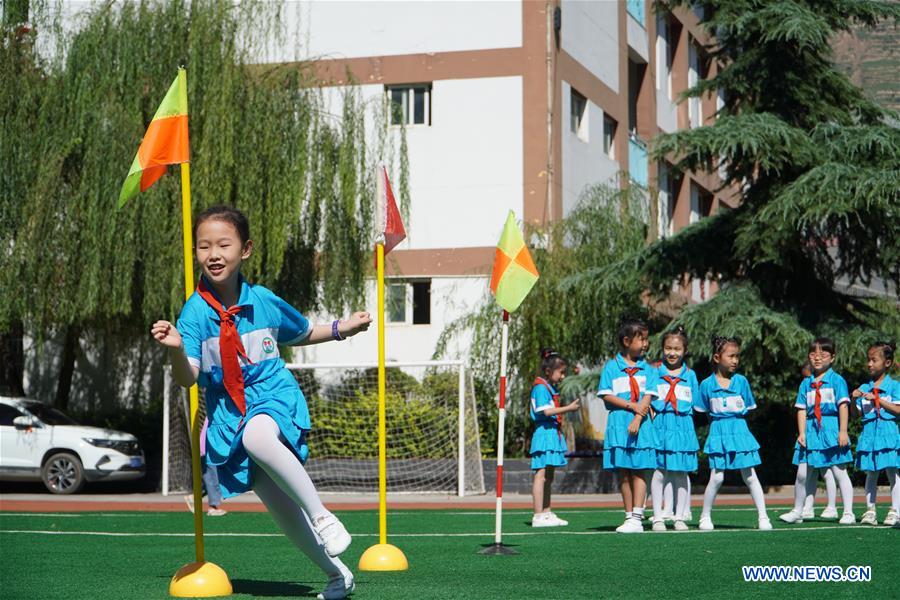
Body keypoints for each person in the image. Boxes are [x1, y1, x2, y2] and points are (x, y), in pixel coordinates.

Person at [151, 205, 370, 600]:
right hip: (227, 415)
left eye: (223, 244)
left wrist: (343, 328)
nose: (213, 254)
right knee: (283, 512)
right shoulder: (194, 313)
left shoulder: (264, 301)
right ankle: (337, 575)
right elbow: (189, 378)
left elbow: (301, 332)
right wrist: (176, 350)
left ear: (245, 249)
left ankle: (323, 515)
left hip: (272, 396)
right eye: (204, 246)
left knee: (258, 435)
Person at [695, 336, 771, 531]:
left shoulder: (742, 382)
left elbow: (748, 407)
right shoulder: (705, 385)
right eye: (731, 356)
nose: (735, 360)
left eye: (738, 356)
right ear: (717, 357)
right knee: (717, 477)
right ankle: (705, 516)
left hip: (740, 432)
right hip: (718, 432)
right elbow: (705, 412)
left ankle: (763, 517)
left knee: (750, 476)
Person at [598, 318, 660, 534]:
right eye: (641, 339)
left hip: (640, 425)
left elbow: (648, 397)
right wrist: (630, 405)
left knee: (639, 470)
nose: (645, 343)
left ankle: (637, 516)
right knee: (623, 471)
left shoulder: (650, 370)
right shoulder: (611, 368)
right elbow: (606, 395)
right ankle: (628, 516)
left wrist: (636, 417)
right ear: (626, 341)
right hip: (618, 424)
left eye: (646, 339)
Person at [649, 327, 699, 531]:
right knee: (659, 471)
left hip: (683, 427)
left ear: (685, 350)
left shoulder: (691, 375)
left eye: (677, 349)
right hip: (660, 425)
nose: (672, 353)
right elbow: (648, 399)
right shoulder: (654, 372)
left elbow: (695, 403)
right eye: (668, 348)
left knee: (680, 472)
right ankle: (658, 516)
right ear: (662, 349)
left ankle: (679, 516)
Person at [529, 349, 580, 527]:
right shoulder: (541, 388)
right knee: (540, 475)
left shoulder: (549, 388)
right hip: (544, 433)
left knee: (548, 476)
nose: (563, 376)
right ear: (549, 371)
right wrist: (568, 408)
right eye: (561, 372)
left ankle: (546, 512)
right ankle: (537, 515)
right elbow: (545, 411)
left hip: (552, 433)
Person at [852, 341, 900, 527]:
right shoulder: (864, 387)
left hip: (888, 434)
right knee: (871, 473)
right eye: (868, 360)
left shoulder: (895, 386)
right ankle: (870, 510)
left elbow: (898, 410)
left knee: (892, 472)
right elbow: (856, 414)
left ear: (887, 363)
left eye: (874, 360)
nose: (869, 364)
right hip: (869, 435)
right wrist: (853, 399)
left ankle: (895, 511)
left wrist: (878, 399)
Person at [184, 416, 227, 516]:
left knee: (211, 478)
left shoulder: (215, 414)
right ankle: (213, 507)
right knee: (213, 479)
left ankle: (194, 497)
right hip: (208, 451)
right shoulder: (215, 415)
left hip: (207, 450)